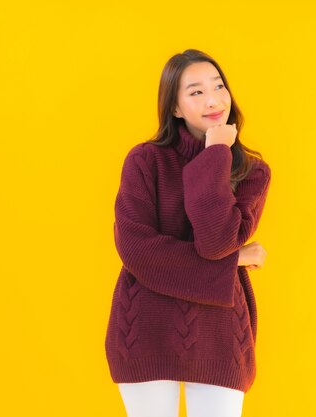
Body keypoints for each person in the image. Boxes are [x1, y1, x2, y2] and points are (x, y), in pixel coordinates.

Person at [104, 49, 272, 417]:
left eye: (218, 86)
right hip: (145, 330)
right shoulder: (145, 160)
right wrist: (235, 261)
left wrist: (215, 156)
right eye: (195, 92)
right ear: (175, 107)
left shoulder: (251, 172)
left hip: (220, 334)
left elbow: (215, 243)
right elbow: (136, 250)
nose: (213, 99)